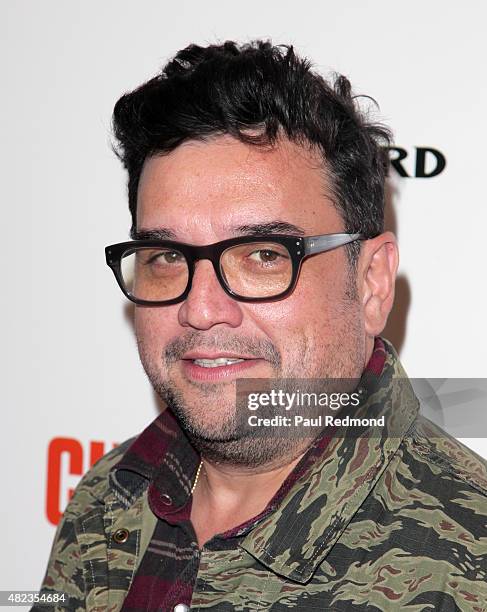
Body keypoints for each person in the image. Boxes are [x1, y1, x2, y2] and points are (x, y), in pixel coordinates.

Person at [35, 41, 487, 611]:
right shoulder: (107, 499)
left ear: (371, 282)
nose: (201, 310)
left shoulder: (469, 560)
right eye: (167, 257)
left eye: (264, 255)